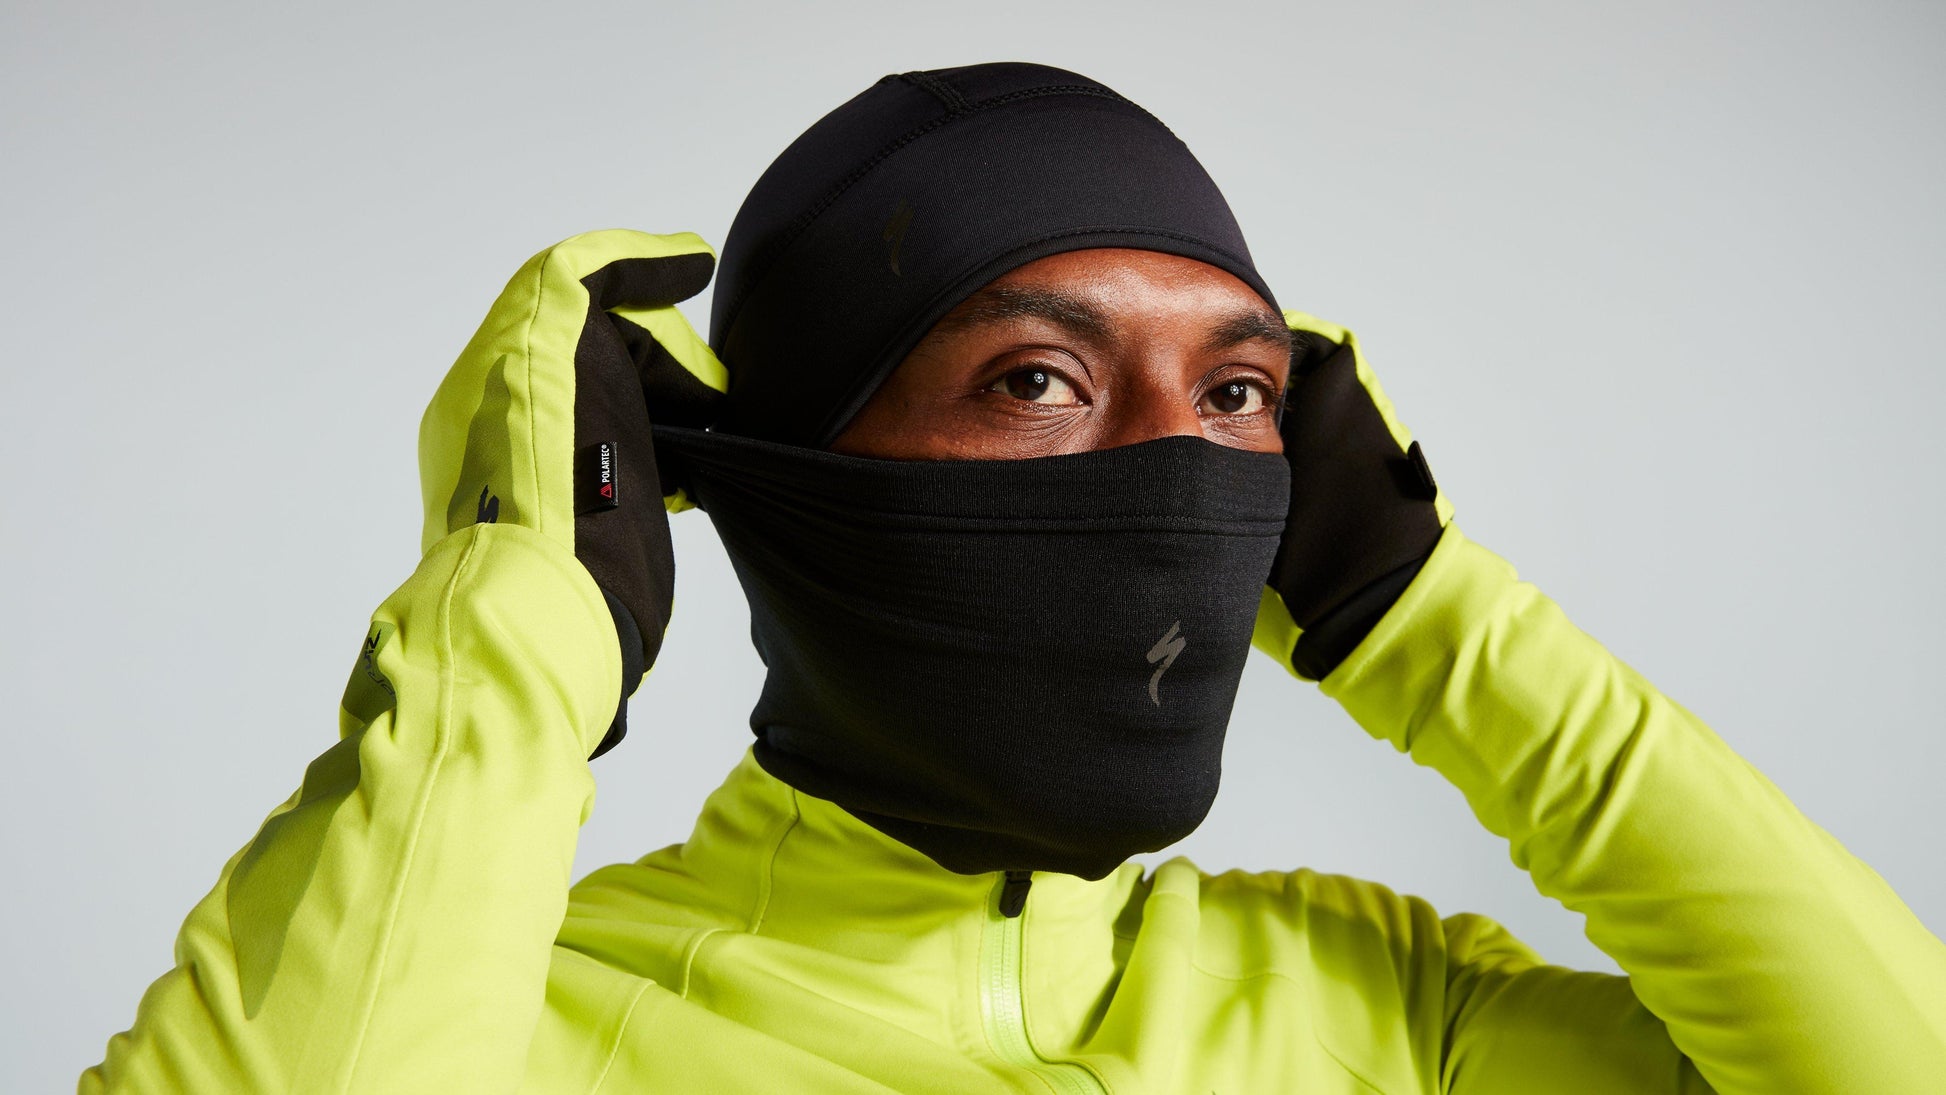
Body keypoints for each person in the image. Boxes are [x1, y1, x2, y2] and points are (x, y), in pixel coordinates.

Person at [82, 62, 1945, 1094]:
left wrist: (1429, 618)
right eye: (1038, 381)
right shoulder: (512, 1016)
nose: (1174, 467)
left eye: (1235, 395)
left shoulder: (1386, 1007)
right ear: (789, 482)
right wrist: (519, 609)